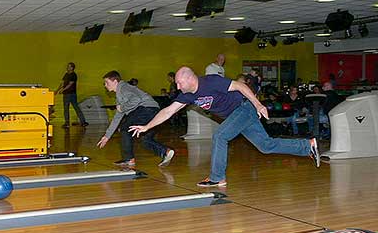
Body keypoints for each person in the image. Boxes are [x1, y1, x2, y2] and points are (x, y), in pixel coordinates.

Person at [129, 66, 320, 187]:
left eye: (179, 82)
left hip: (244, 109)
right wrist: (147, 126)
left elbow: (240, 86)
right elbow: (168, 111)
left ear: (189, 78)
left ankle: (217, 177)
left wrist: (258, 104)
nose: (177, 87)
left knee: (219, 136)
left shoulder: (211, 81)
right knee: (265, 146)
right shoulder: (188, 95)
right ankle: (307, 145)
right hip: (236, 117)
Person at [97, 70, 174, 167]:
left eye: (107, 82)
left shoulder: (123, 87)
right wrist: (107, 136)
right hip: (154, 111)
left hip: (146, 110)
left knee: (125, 128)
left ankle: (128, 159)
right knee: (145, 139)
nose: (105, 85)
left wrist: (123, 107)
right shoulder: (120, 95)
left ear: (115, 82)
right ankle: (166, 152)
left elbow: (136, 100)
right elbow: (118, 116)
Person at [55, 62, 88, 128]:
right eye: (67, 66)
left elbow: (70, 84)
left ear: (72, 68)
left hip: (71, 94)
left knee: (75, 108)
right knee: (66, 109)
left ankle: (82, 122)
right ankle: (68, 123)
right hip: (66, 94)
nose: (67, 67)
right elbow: (62, 83)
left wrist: (63, 90)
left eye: (69, 66)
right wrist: (57, 90)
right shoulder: (66, 74)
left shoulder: (73, 75)